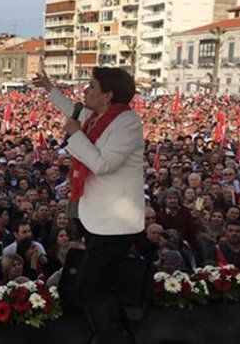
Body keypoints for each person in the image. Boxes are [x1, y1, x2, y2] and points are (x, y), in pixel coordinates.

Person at [34, 67, 144, 344]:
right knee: (105, 286)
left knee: (89, 287)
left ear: (107, 95)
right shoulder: (100, 118)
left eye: (92, 87)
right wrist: (50, 89)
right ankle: (118, 334)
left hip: (115, 222)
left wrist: (74, 135)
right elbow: (75, 110)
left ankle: (108, 337)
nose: (85, 91)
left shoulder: (126, 123)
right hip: (98, 218)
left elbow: (102, 164)